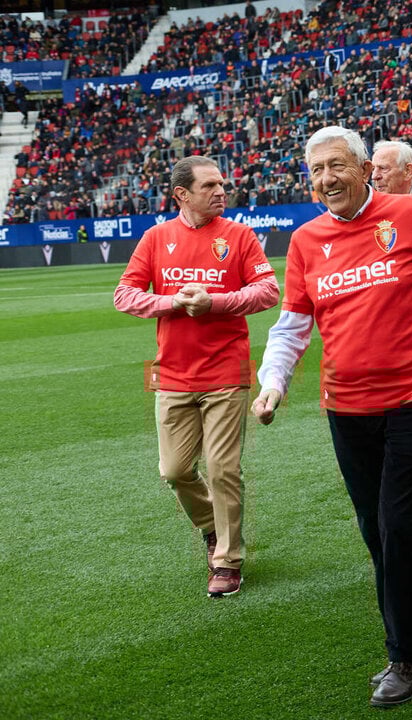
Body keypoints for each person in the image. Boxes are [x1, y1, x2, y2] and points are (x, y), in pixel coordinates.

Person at [252, 126, 412, 708]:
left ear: (365, 168)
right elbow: (292, 325)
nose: (326, 179)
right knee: (376, 532)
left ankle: (406, 655)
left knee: (399, 523)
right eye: (316, 170)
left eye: (336, 166)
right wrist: (272, 383)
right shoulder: (307, 241)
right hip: (346, 406)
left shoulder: (411, 216)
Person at [114, 156, 279, 599]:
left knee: (224, 468)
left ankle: (228, 560)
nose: (221, 191)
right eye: (209, 185)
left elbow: (268, 291)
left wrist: (216, 302)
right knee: (174, 470)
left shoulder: (239, 235)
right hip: (171, 375)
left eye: (223, 183)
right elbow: (124, 294)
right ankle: (212, 526)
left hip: (227, 371)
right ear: (182, 194)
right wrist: (172, 303)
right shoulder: (156, 238)